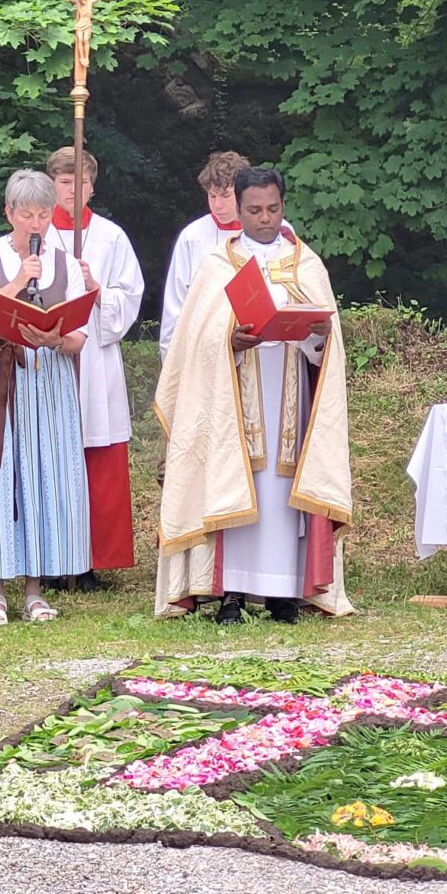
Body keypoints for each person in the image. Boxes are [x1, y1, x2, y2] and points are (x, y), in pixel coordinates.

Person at [154, 165, 352, 624]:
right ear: (238, 211)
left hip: (288, 399)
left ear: (283, 206)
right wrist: (229, 340)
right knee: (232, 483)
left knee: (280, 494)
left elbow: (327, 348)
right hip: (231, 403)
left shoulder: (306, 263)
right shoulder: (217, 265)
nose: (265, 219)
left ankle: (284, 593)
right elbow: (193, 340)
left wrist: (317, 335)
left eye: (273, 209)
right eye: (255, 210)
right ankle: (231, 593)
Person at [0, 170, 91, 625]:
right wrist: (16, 281)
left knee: (43, 473)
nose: (35, 223)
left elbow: (81, 336)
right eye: (26, 214)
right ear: (9, 213)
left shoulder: (64, 262)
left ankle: (35, 588)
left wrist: (55, 339)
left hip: (48, 377)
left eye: (43, 214)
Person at [44, 146, 143, 587]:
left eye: (81, 182)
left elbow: (130, 297)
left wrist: (99, 290)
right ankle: (49, 559)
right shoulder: (37, 235)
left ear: (93, 186)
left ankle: (89, 561)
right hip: (48, 360)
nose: (73, 191)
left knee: (95, 462)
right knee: (48, 459)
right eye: (65, 183)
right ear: (52, 186)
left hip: (96, 362)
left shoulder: (111, 237)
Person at [159, 151, 250, 363]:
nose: (217, 205)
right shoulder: (192, 237)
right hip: (206, 353)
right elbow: (176, 305)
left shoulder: (270, 231)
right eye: (212, 196)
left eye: (226, 196)